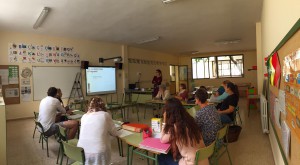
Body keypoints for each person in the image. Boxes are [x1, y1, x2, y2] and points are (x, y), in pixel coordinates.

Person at [158, 98, 209, 165]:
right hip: (203, 160)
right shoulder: (190, 120)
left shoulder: (176, 127)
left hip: (191, 163)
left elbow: (162, 140)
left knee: (161, 156)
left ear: (169, 113)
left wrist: (164, 122)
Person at [77, 97, 120, 165]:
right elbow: (115, 133)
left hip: (81, 152)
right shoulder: (105, 115)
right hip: (98, 153)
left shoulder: (84, 116)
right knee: (107, 137)